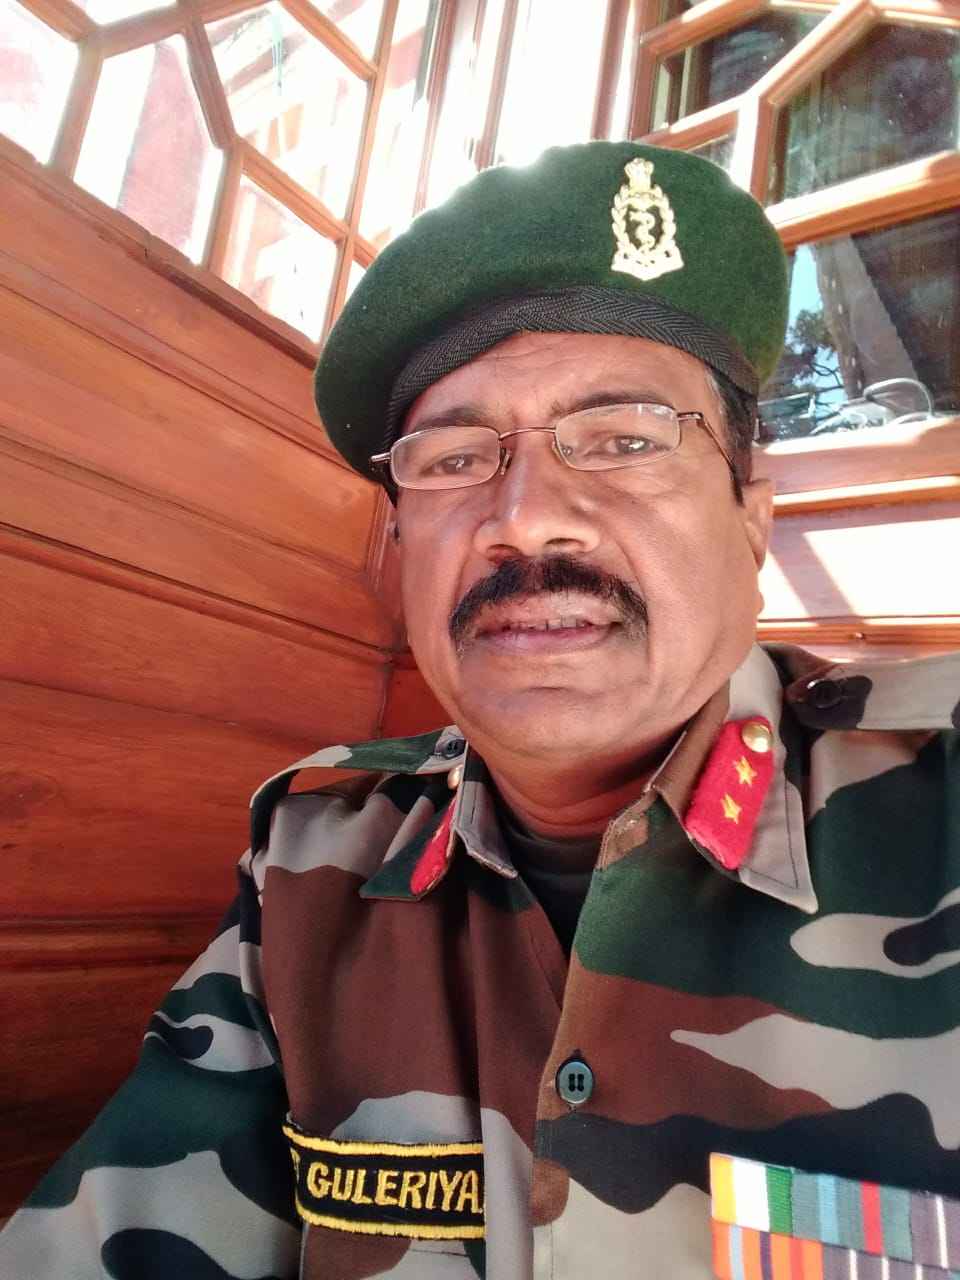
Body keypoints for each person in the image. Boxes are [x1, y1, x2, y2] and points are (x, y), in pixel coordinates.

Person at [2, 141, 959, 1280]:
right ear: (401, 545)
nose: (525, 518)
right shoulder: (314, 863)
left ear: (752, 519)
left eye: (624, 438)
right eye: (456, 459)